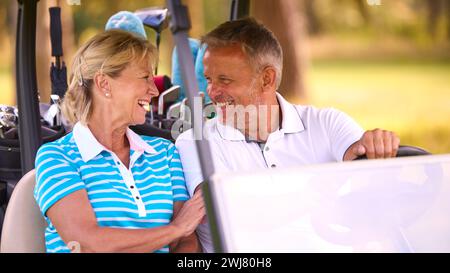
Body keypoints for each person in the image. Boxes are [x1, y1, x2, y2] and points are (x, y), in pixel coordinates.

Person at [175, 17, 400, 253]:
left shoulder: (326, 123)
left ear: (266, 79)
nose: (212, 91)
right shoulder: (194, 141)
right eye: (209, 79)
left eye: (225, 80)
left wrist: (376, 146)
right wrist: (321, 188)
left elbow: (368, 181)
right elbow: (227, 214)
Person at [34, 30, 205, 253]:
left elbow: (187, 241)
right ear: (104, 84)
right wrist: (175, 229)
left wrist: (181, 232)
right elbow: (87, 243)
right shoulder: (56, 158)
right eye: (145, 78)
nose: (154, 90)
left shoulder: (165, 153)